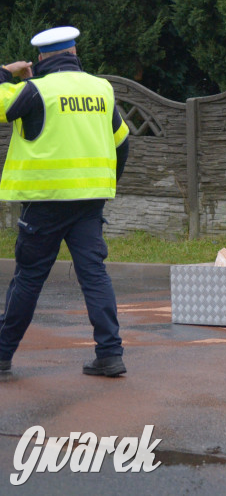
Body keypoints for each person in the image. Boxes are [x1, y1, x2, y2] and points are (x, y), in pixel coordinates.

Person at [0, 26, 130, 378]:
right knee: (94, 274)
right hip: (89, 200)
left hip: (44, 201)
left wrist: (6, 72)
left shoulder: (34, 90)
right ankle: (110, 354)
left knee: (29, 278)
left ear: (41, 58)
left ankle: (2, 355)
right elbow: (122, 142)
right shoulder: (101, 89)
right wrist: (105, 184)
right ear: (74, 53)